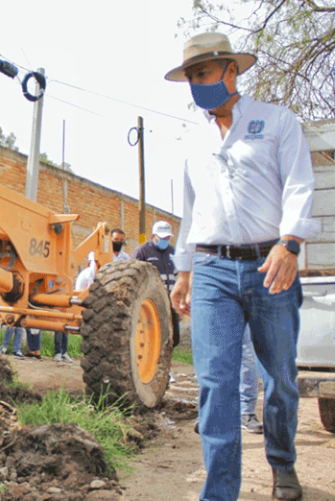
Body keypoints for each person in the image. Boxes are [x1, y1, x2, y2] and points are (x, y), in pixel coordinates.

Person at [167, 32, 319, 501]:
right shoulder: (192, 141)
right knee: (216, 384)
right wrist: (185, 270)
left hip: (270, 265)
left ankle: (283, 463)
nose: (198, 84)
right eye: (192, 76)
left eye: (205, 73)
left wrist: (290, 244)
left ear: (232, 71)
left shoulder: (276, 121)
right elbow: (191, 211)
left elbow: (298, 184)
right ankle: (220, 492)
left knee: (279, 381)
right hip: (212, 269)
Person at [132, 220, 180, 348]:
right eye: (162, 237)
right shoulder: (142, 251)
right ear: (153, 236)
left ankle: (164, 358)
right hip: (151, 301)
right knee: (153, 335)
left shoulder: (172, 252)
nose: (165, 240)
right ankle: (156, 361)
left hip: (169, 300)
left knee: (175, 337)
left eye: (168, 237)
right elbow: (134, 274)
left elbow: (177, 274)